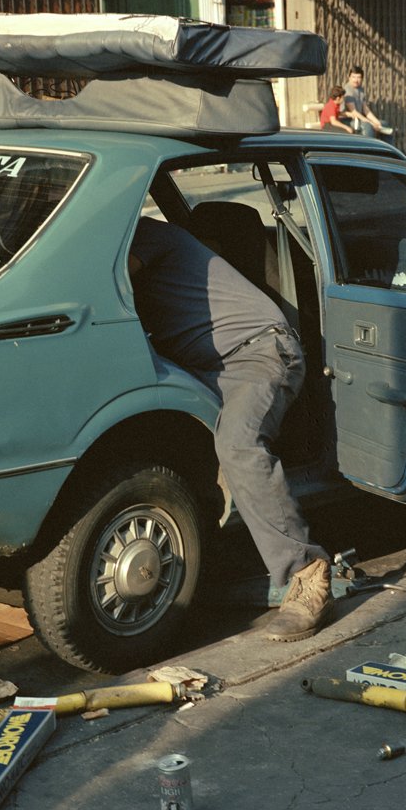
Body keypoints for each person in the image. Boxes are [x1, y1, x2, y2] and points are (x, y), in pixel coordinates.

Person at [127, 216, 334, 642]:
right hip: (205, 364)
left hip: (259, 352)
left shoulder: (147, 236)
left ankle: (307, 572)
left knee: (239, 443)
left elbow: (99, 286)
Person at [341, 66, 393, 137]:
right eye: (353, 77)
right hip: (347, 120)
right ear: (349, 77)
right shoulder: (348, 90)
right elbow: (354, 112)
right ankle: (368, 147)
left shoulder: (360, 89)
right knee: (367, 127)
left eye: (358, 77)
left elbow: (366, 109)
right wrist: (371, 123)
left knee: (384, 124)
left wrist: (376, 121)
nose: (356, 80)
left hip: (358, 119)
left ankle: (385, 148)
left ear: (362, 79)